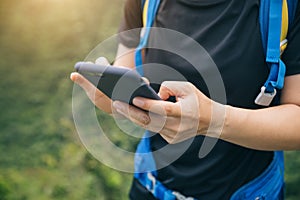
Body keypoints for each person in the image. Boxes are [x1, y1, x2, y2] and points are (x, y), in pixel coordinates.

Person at [70, 0, 300, 199]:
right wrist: (115, 102)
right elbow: (129, 72)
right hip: (150, 188)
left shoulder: (285, 8)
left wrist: (215, 120)